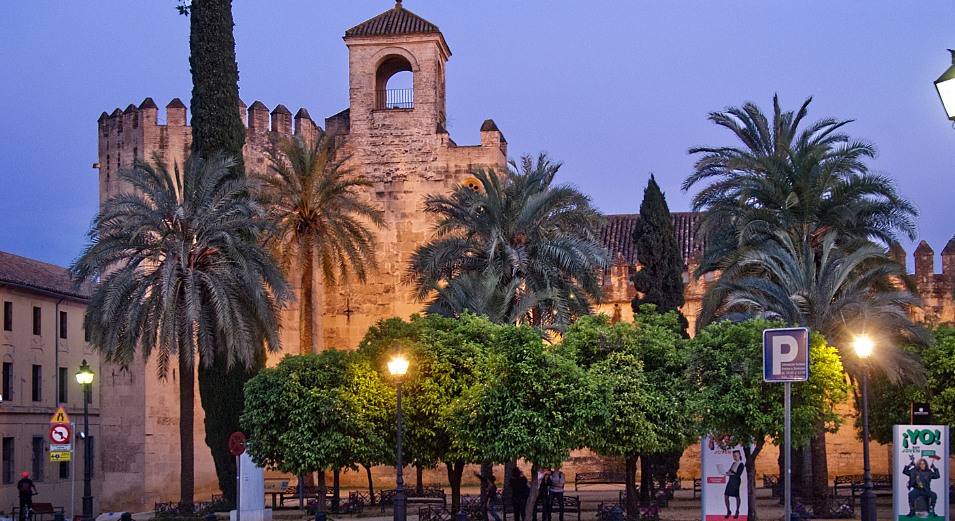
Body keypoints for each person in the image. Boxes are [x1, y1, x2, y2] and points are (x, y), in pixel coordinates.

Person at [723, 450, 744, 519]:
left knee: (736, 496)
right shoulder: (733, 463)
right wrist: (728, 473)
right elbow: (731, 470)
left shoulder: (741, 464)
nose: (734, 457)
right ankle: (728, 510)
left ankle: (737, 511)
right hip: (731, 480)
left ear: (739, 455)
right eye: (733, 456)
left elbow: (738, 474)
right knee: (726, 495)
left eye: (735, 456)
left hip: (736, 481)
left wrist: (731, 473)